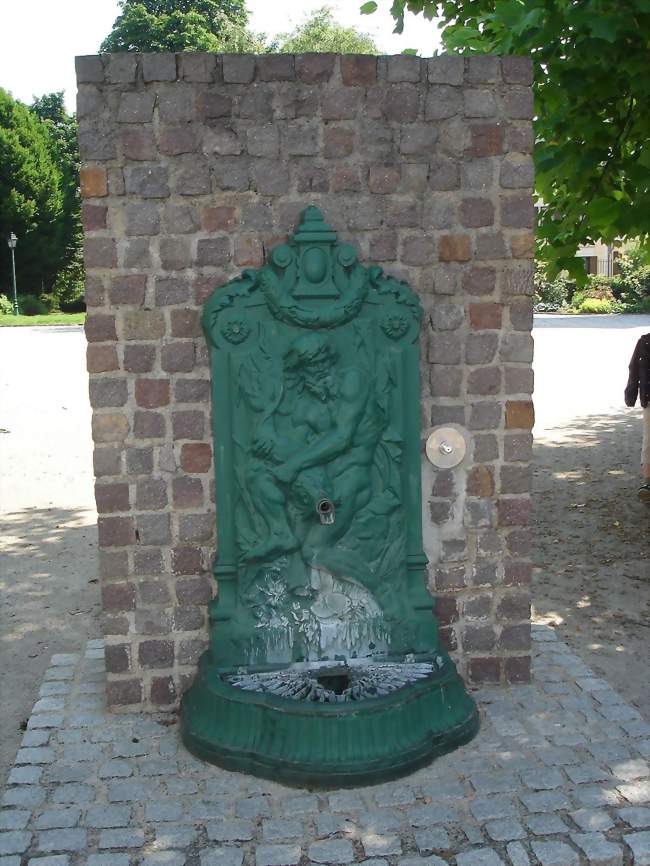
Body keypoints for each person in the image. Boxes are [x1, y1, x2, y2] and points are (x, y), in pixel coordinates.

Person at [625, 332, 650, 501]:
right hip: (649, 399)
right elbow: (634, 368)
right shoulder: (645, 342)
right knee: (649, 440)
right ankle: (648, 482)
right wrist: (631, 393)